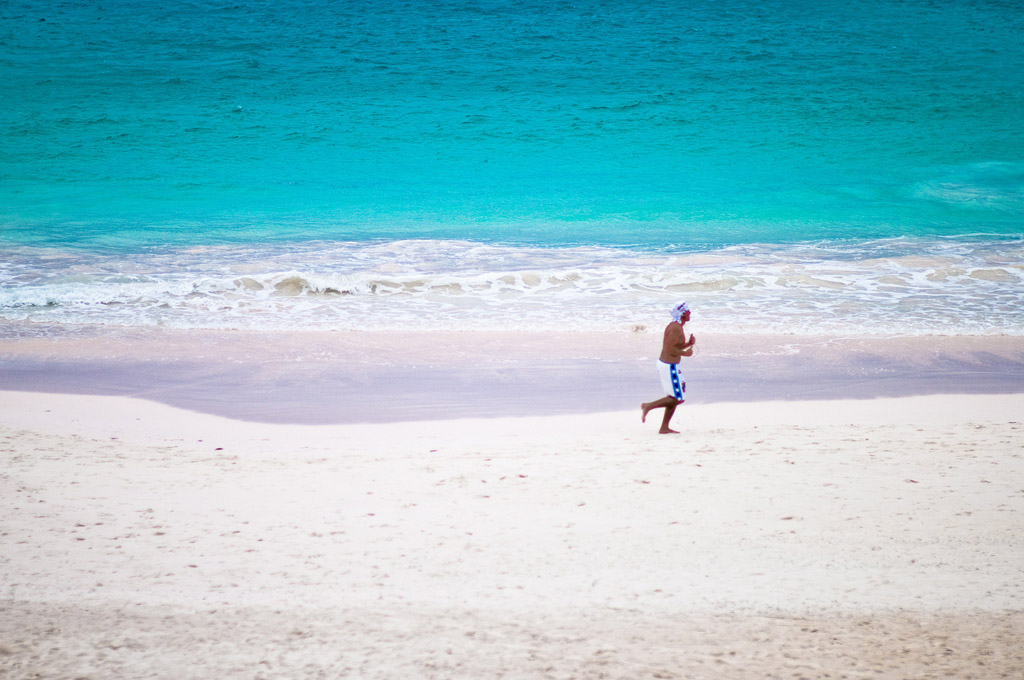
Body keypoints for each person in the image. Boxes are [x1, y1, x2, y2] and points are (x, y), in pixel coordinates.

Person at [641, 301, 695, 434]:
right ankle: (648, 406)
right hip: (668, 366)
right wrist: (686, 353)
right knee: (677, 398)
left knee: (674, 397)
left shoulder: (676, 326)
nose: (690, 313)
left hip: (668, 365)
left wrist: (688, 343)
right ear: (682, 313)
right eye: (688, 311)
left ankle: (664, 427)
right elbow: (670, 348)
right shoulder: (675, 327)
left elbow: (674, 346)